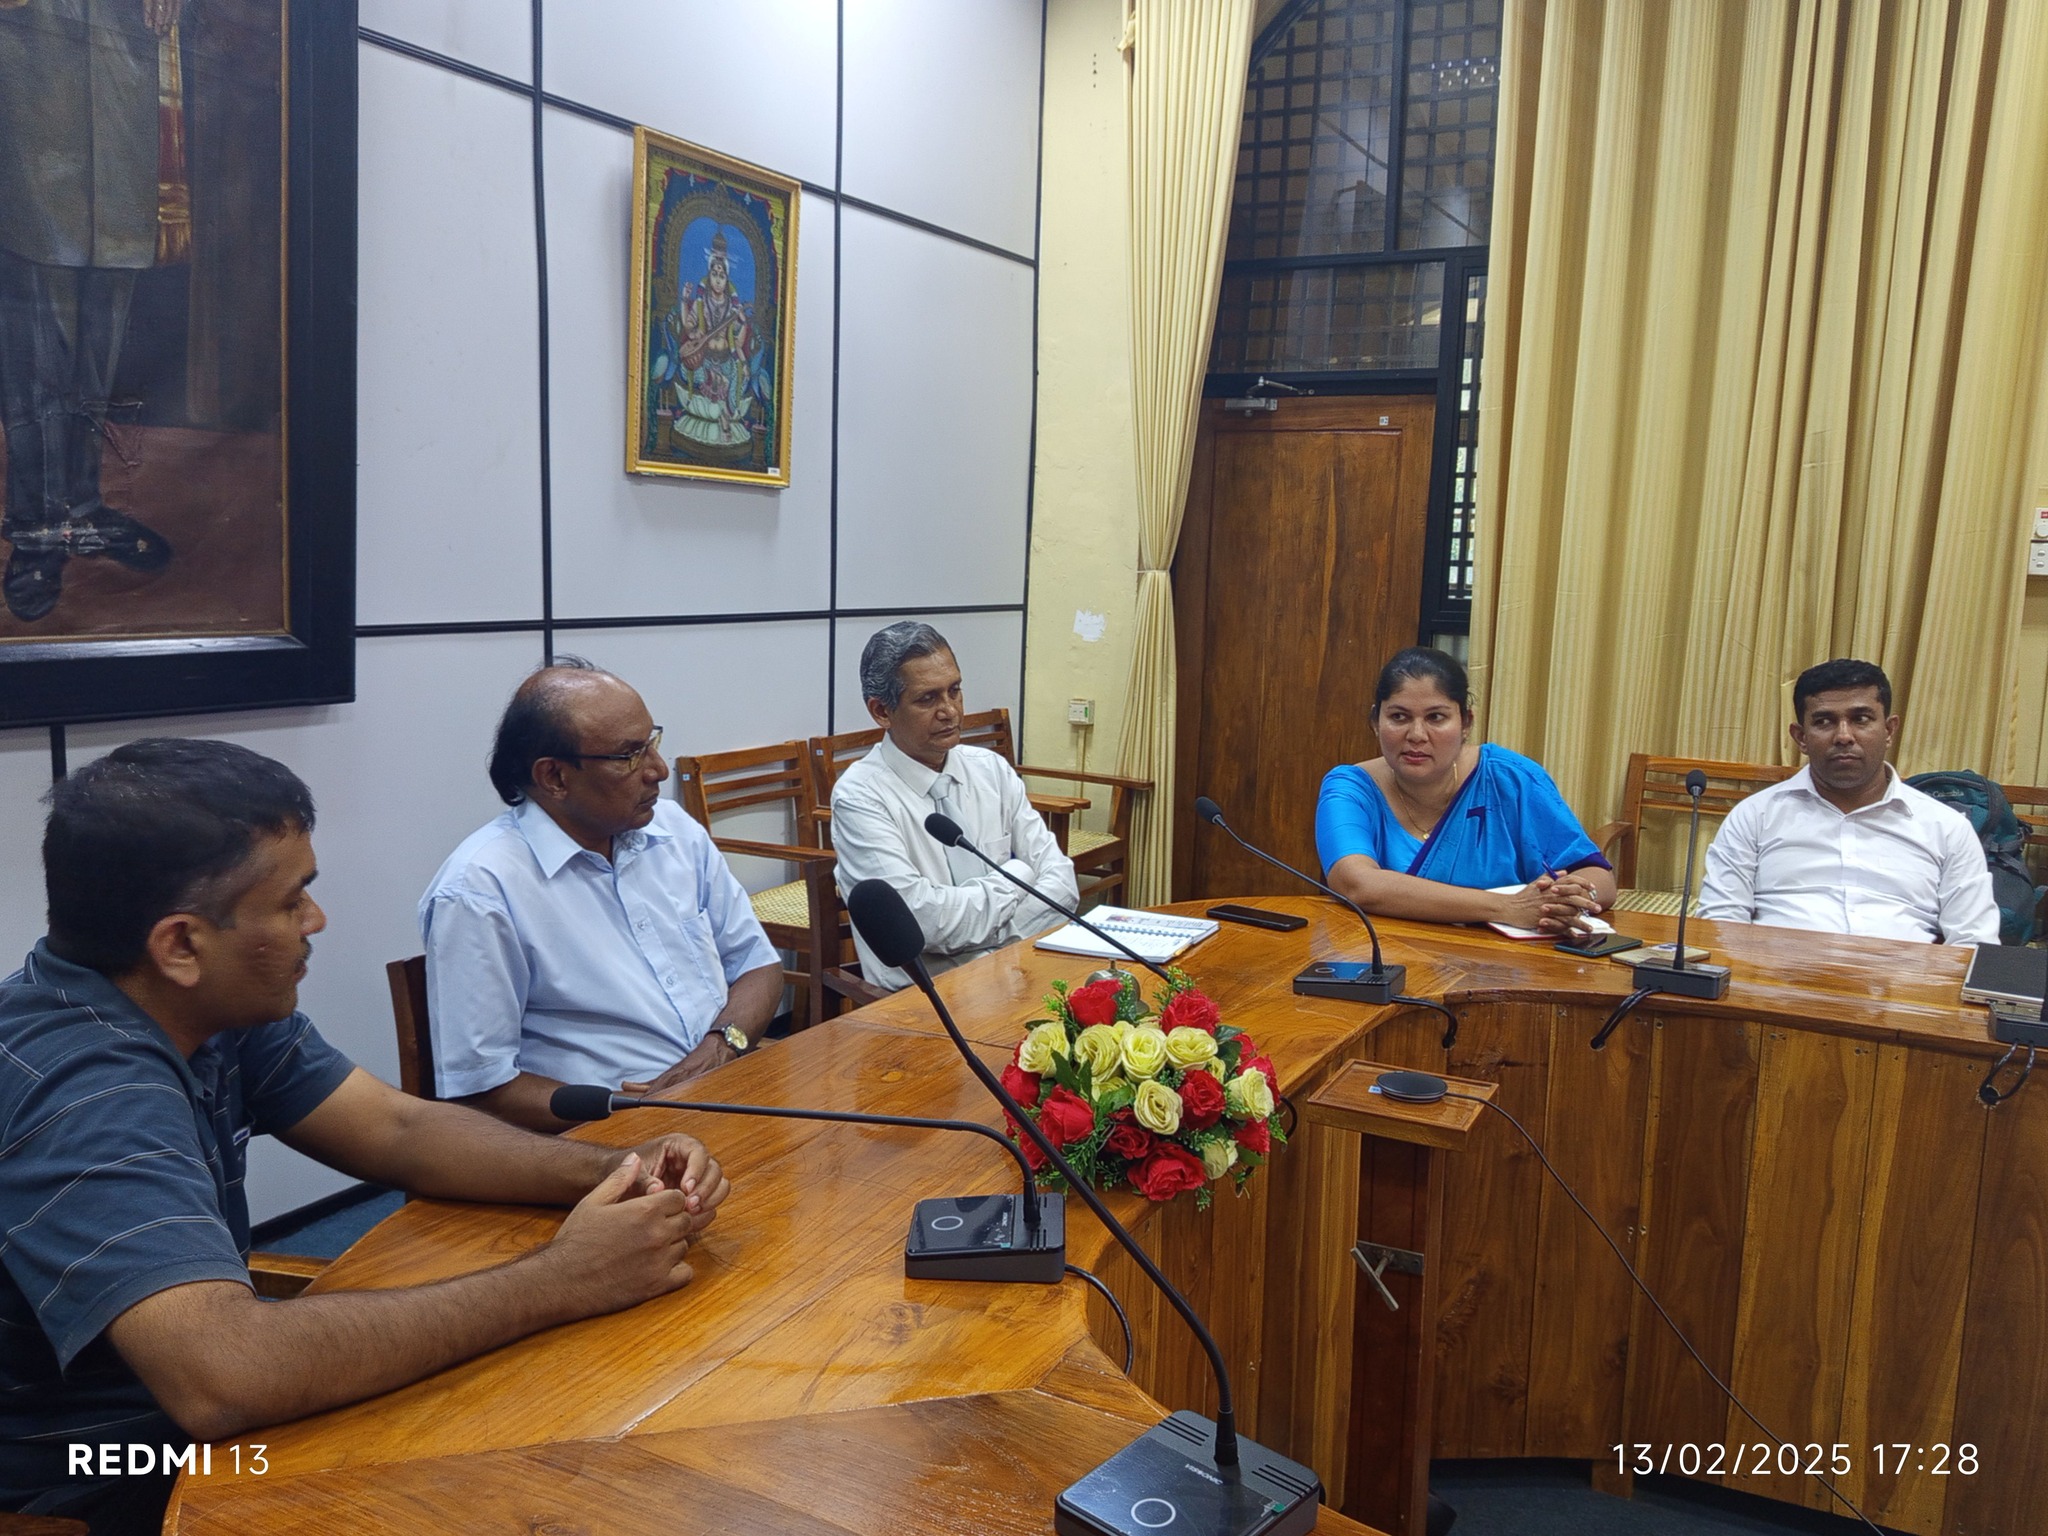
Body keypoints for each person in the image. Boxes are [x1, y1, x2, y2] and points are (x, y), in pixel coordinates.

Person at [0, 739, 730, 1532]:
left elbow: (397, 1127)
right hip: (97, 1472)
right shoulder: (86, 1089)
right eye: (292, 902)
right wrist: (564, 1279)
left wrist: (614, 1168)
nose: (315, 921)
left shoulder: (200, 1007)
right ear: (180, 944)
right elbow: (223, 1376)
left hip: (184, 1422)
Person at [419, 659, 783, 1133]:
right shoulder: (480, 889)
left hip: (730, 1088)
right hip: (604, 1136)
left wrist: (719, 1048)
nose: (658, 769)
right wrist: (633, 1111)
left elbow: (757, 963)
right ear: (554, 777)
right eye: (628, 755)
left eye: (651, 742)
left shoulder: (675, 831)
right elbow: (481, 1089)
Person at [0, 0, 180, 622]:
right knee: (38, 333)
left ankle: (81, 507)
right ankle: (36, 526)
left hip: (121, 60)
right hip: (33, 60)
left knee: (105, 318)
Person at [832, 622, 1078, 990]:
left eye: (955, 690)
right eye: (928, 699)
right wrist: (1018, 878)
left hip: (1020, 974)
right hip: (925, 999)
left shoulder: (991, 769)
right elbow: (922, 924)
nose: (950, 711)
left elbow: (1062, 886)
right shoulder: (860, 796)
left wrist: (986, 948)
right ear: (882, 711)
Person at [1696, 658, 1999, 945]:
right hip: (1775, 977)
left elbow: (1974, 941)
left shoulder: (1946, 828)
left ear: (1889, 730)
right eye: (1824, 721)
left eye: (1861, 719)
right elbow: (1720, 925)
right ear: (1800, 737)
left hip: (1901, 980)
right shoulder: (1755, 817)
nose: (1844, 736)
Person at [1315, 647, 1615, 933]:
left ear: (1466, 723)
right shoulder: (1350, 789)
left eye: (1435, 717)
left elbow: (1599, 877)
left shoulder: (1511, 778)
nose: (1417, 735)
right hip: (1387, 957)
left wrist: (1565, 898)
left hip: (1508, 960)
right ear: (1375, 722)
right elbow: (1357, 883)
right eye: (1399, 717)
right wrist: (1506, 907)